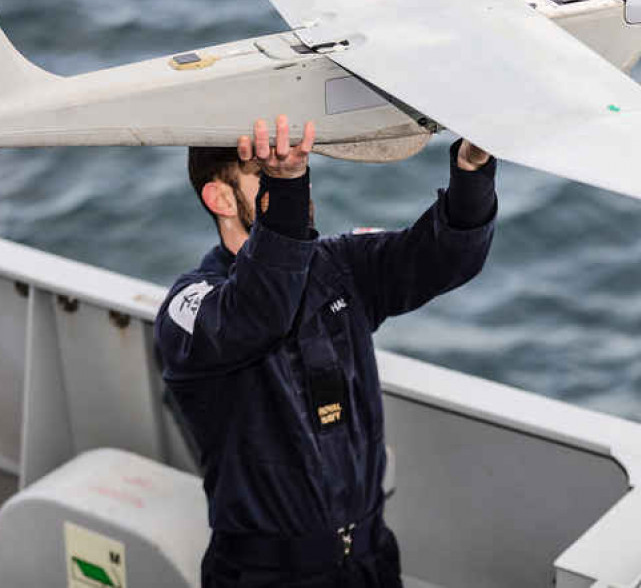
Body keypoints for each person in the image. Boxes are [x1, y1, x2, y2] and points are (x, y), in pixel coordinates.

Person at [155, 115, 497, 588]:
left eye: (295, 165)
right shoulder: (190, 308)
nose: (296, 179)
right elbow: (261, 310)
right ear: (220, 198)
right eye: (267, 172)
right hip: (266, 576)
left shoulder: (339, 267)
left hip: (369, 560)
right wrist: (289, 187)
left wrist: (472, 170)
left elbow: (442, 255)